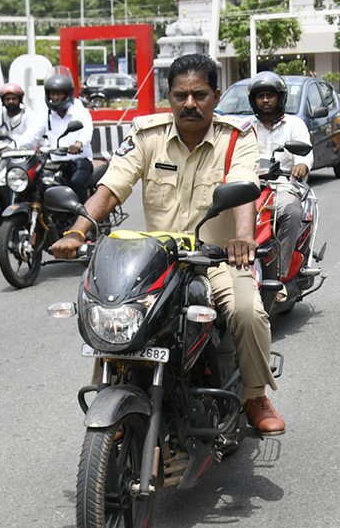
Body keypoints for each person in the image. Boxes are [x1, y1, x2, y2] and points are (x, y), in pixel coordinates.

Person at [49, 53, 286, 436]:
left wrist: (242, 237)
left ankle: (255, 394)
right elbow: (112, 187)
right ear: (169, 97)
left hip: (217, 258)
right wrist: (78, 230)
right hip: (158, 259)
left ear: (216, 95)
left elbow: (244, 189)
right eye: (180, 95)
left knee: (247, 310)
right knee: (113, 310)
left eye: (200, 94)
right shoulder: (147, 136)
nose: (189, 103)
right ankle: (114, 389)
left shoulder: (236, 138)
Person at [247, 70, 311, 301]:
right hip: (251, 188)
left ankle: (282, 278)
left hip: (282, 186)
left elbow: (305, 155)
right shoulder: (246, 128)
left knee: (291, 210)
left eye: (270, 95)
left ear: (280, 98)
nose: (265, 100)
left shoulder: (294, 125)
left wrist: (301, 166)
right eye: (260, 95)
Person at [15, 72, 94, 203]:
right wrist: (11, 146)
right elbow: (32, 134)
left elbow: (87, 130)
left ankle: (83, 217)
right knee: (37, 183)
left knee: (76, 181)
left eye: (59, 93)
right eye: (53, 93)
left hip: (79, 159)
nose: (55, 97)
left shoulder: (79, 110)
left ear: (67, 94)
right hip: (55, 163)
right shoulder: (46, 113)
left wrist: (79, 144)